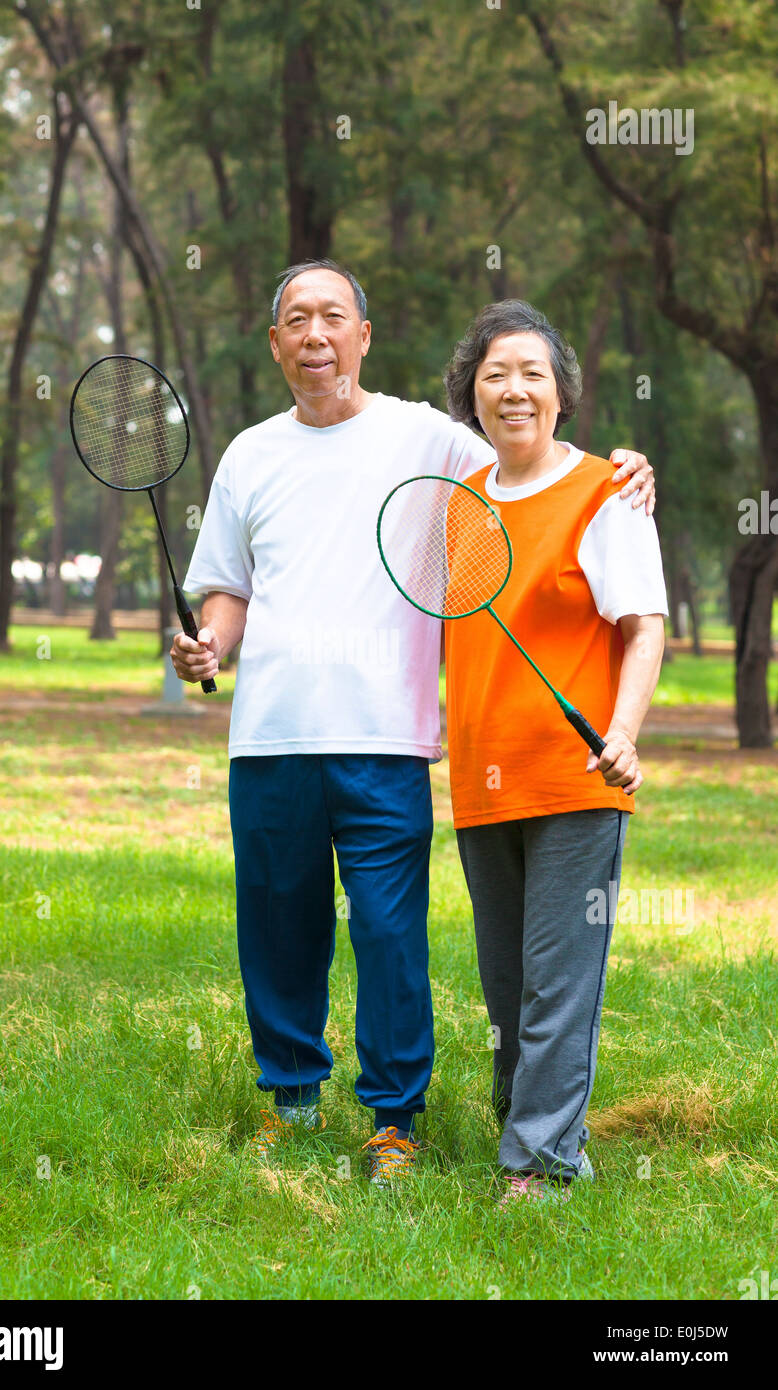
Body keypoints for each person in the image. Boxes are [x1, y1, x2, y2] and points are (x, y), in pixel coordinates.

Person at [171, 261, 656, 1187]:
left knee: (389, 932)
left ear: (364, 335)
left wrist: (629, 470)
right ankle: (293, 1097)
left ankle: (396, 1119)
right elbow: (227, 589)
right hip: (269, 735)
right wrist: (209, 646)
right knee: (276, 922)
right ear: (276, 344)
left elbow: (538, 464)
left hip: (387, 738)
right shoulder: (248, 454)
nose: (316, 335)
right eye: (296, 321)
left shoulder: (429, 438)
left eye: (334, 318)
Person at [442, 299, 667, 1206]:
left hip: (574, 780)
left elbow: (643, 628)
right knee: (508, 989)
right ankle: (535, 1130)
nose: (514, 389)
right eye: (495, 374)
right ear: (473, 396)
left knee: (557, 986)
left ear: (562, 393)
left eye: (532, 372)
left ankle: (540, 1167)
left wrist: (623, 735)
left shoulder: (607, 492)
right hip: (480, 782)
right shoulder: (458, 506)